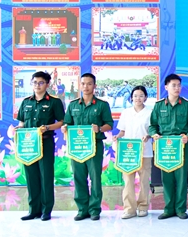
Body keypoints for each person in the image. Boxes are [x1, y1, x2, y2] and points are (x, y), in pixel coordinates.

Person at [16, 71, 66, 221]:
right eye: (35, 82)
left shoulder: (54, 102)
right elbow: (21, 123)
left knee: (46, 176)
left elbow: (61, 122)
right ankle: (33, 210)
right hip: (29, 144)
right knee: (31, 177)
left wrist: (48, 127)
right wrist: (18, 129)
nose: (37, 85)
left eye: (41, 82)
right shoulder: (26, 102)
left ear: (47, 84)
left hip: (45, 142)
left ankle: (46, 210)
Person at [64, 73, 114, 221]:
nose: (86, 86)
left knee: (95, 178)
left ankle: (94, 210)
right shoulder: (73, 105)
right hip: (77, 147)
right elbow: (67, 123)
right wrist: (64, 128)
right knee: (79, 178)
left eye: (89, 84)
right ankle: (82, 210)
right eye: (83, 83)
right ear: (80, 85)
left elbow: (109, 124)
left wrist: (99, 128)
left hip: (94, 146)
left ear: (94, 86)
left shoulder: (102, 105)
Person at [148, 74, 188, 219]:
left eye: (179, 85)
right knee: (167, 178)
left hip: (181, 145)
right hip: (164, 147)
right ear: (166, 87)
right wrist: (154, 134)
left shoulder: (187, 105)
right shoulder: (159, 106)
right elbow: (152, 126)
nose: (177, 88)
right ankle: (169, 209)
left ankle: (180, 209)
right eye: (174, 85)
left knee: (181, 178)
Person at [117, 85, 153, 219]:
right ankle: (129, 209)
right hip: (128, 153)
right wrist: (117, 137)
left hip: (145, 151)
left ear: (146, 98)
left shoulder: (150, 113)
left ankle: (143, 207)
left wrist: (148, 136)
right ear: (131, 98)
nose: (138, 98)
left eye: (141, 96)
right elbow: (122, 131)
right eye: (135, 96)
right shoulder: (126, 112)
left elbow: (153, 131)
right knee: (128, 181)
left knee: (144, 181)